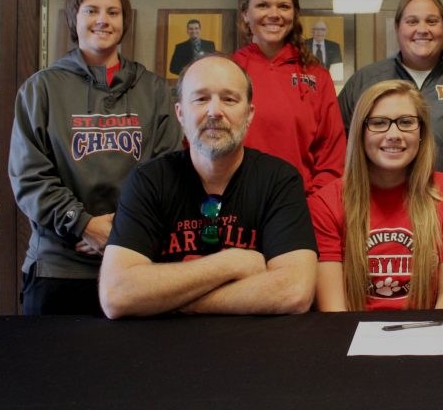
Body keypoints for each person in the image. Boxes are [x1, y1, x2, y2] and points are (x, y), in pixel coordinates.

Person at [9, 0, 183, 316]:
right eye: (91, 10)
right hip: (59, 271)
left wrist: (121, 232)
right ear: (74, 18)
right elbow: (30, 177)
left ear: (125, 22)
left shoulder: (156, 90)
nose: (102, 19)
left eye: (113, 12)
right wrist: (84, 224)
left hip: (138, 267)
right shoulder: (40, 89)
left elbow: (169, 171)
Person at [99, 55, 318, 318]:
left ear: (249, 114)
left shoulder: (279, 180)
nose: (214, 111)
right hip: (162, 352)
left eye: (229, 99)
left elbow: (294, 291)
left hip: (255, 350)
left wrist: (173, 301)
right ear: (180, 113)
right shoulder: (149, 181)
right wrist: (232, 263)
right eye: (201, 99)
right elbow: (117, 295)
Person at [310, 80, 443, 311]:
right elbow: (333, 311)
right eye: (379, 123)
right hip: (353, 337)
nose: (394, 134)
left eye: (406, 122)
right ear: (360, 133)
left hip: (429, 335)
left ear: (422, 132)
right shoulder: (326, 202)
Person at [339, 0, 443, 233]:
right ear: (397, 29)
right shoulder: (364, 82)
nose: (422, 29)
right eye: (412, 21)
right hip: (377, 229)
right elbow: (339, 152)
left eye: (432, 21)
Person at [233, 0, 345, 196]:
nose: (274, 14)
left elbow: (332, 156)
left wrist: (314, 205)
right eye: (263, 5)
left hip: (297, 208)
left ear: (294, 14)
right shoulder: (226, 70)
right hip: (234, 205)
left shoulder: (317, 76)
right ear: (246, 13)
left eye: (283, 7)